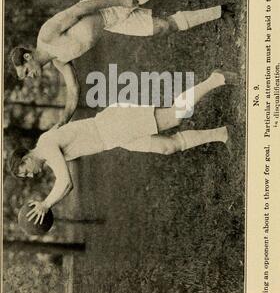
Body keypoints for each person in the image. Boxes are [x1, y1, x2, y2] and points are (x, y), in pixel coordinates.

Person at [10, 0, 229, 127]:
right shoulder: (59, 61)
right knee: (163, 27)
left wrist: (120, 0)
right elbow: (74, 90)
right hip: (111, 23)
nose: (30, 77)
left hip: (107, 1)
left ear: (27, 57)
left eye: (26, 72)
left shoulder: (47, 35)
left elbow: (80, 9)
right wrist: (62, 121)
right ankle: (221, 11)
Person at [9, 69, 238, 225]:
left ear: (26, 158)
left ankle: (216, 79)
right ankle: (222, 134)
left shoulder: (46, 147)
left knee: (174, 117)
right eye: (26, 176)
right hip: (113, 135)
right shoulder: (46, 145)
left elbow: (66, 183)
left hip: (113, 125)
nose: (31, 174)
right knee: (168, 147)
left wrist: (45, 204)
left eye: (26, 170)